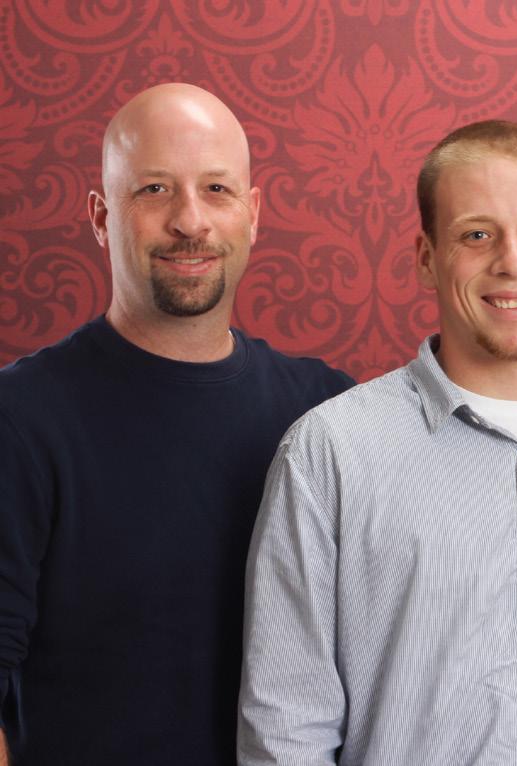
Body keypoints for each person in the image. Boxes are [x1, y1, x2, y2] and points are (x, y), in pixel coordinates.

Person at [237, 120, 517, 764]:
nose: (513, 261)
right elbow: (286, 730)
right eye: (477, 235)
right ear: (427, 258)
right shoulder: (328, 454)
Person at [0, 84, 352, 765]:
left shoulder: (326, 412)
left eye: (216, 189)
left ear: (252, 213)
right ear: (101, 217)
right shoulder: (19, 420)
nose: (190, 221)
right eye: (154, 190)